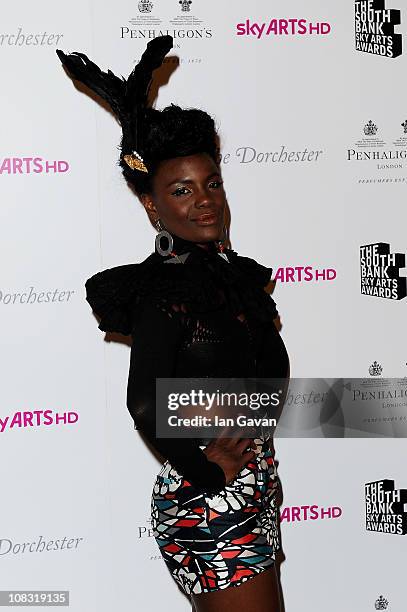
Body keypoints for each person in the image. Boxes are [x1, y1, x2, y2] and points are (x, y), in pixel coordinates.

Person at [56, 35, 289, 611]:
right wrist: (208, 471)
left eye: (213, 184)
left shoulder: (230, 280)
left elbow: (260, 387)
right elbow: (144, 402)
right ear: (152, 205)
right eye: (182, 190)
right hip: (208, 499)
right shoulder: (165, 293)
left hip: (251, 487)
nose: (205, 201)